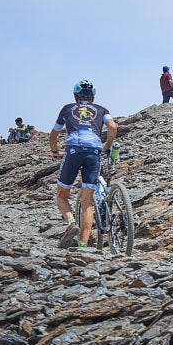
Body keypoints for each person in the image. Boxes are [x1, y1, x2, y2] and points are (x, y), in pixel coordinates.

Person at [49, 80, 118, 249]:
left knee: (62, 195)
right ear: (93, 97)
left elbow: (53, 135)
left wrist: (55, 151)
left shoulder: (67, 108)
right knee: (87, 203)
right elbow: (113, 127)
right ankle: (82, 245)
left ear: (75, 96)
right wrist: (107, 145)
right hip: (94, 150)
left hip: (74, 148)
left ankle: (71, 223)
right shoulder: (102, 109)